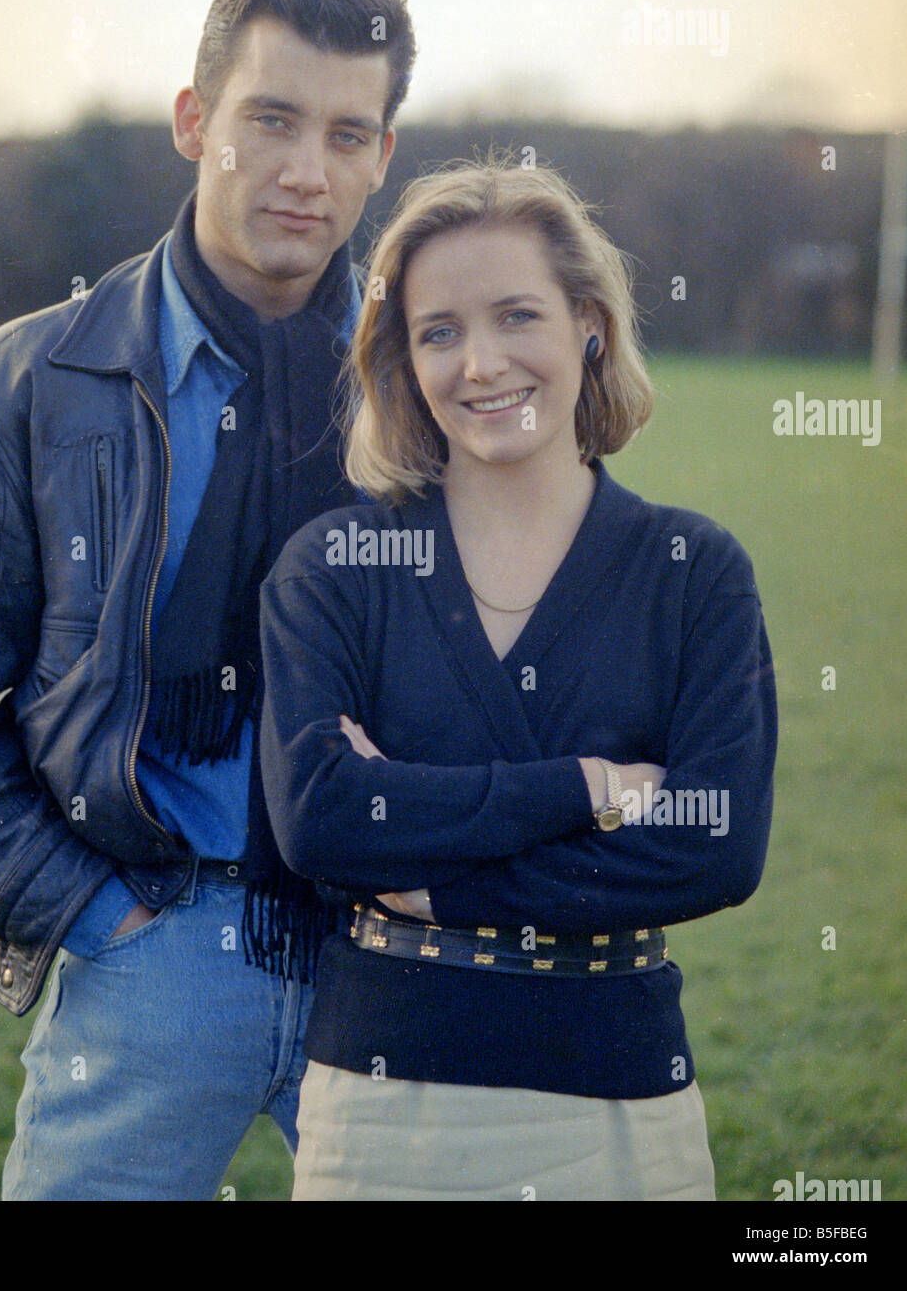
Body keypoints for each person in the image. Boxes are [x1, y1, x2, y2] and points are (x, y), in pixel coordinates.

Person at [0, 0, 413, 1200]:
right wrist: (95, 919)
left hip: (390, 953)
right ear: (192, 120)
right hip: (150, 947)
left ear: (382, 156)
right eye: (268, 119)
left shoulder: (425, 383)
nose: (303, 169)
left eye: (346, 133)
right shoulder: (25, 383)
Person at [258, 159, 778, 1200]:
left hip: (621, 1102)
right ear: (400, 358)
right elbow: (321, 821)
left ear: (587, 324)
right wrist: (583, 788)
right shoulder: (333, 566)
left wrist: (433, 875)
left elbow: (711, 846)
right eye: (438, 330)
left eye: (516, 316)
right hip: (381, 1110)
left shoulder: (693, 570)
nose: (480, 363)